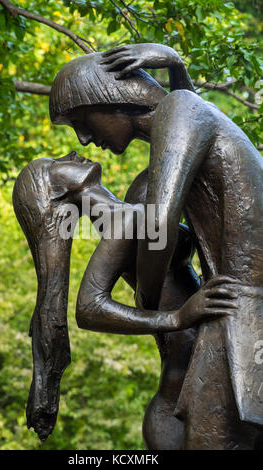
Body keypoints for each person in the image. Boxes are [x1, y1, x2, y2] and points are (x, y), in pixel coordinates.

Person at [49, 43, 263, 449]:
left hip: (239, 307)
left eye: (82, 120)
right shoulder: (184, 114)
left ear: (110, 98)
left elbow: (161, 223)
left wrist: (152, 303)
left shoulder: (178, 111)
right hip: (238, 305)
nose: (85, 138)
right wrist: (175, 61)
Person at [13, 152, 236, 443]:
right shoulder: (124, 221)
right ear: (55, 190)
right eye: (56, 163)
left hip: (198, 372)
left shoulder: (128, 211)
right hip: (180, 397)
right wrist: (179, 316)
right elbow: (89, 308)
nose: (71, 153)